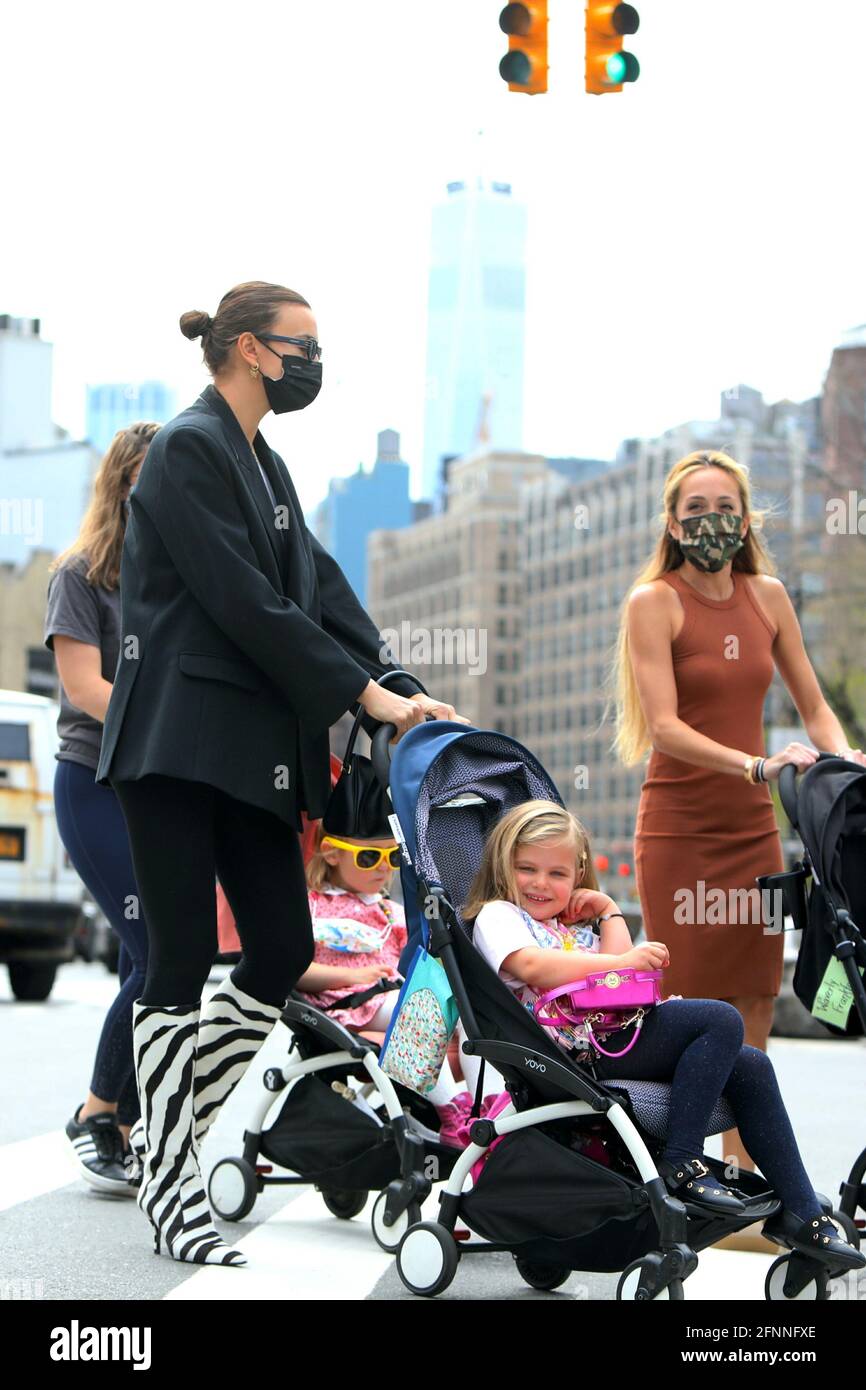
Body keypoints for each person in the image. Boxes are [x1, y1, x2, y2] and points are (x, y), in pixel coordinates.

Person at [94, 280, 468, 1266]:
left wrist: (392, 678)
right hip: (176, 745)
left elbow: (316, 586)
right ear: (252, 350)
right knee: (176, 965)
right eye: (301, 344)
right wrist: (362, 697)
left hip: (250, 753)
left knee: (275, 947)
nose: (313, 361)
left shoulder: (264, 465)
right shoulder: (187, 448)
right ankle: (169, 1177)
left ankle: (178, 1125)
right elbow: (246, 602)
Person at [463, 799, 864, 1271]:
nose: (540, 883)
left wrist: (610, 913)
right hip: (577, 1055)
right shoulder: (500, 917)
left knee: (752, 1065)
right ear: (501, 866)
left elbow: (623, 991)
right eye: (526, 868)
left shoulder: (569, 931)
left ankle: (801, 1213)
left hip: (615, 1037)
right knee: (720, 1019)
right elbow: (530, 966)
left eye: (557, 874)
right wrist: (617, 964)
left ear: (577, 876)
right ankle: (683, 1161)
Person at [612, 448, 866, 1179]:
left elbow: (815, 706)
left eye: (725, 508)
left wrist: (847, 760)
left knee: (755, 996)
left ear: (747, 518)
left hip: (753, 829)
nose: (711, 522)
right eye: (695, 511)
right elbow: (663, 726)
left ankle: (746, 1170)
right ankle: (676, 1161)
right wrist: (755, 764)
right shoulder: (653, 601)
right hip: (680, 830)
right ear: (672, 522)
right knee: (689, 1003)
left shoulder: (769, 597)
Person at [45, 423, 159, 1196]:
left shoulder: (177, 582)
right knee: (157, 945)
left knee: (138, 949)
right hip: (94, 783)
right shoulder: (81, 575)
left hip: (160, 791)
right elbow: (84, 688)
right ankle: (97, 1109)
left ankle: (125, 1125)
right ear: (124, 482)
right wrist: (169, 726)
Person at [296, 822, 479, 1147]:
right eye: (368, 858)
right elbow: (296, 971)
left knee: (470, 1010)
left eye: (392, 857)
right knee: (419, 1009)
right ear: (332, 853)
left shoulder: (387, 911)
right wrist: (353, 976)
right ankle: (454, 1111)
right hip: (349, 1005)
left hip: (392, 998)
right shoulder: (309, 908)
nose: (383, 868)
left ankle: (483, 1104)